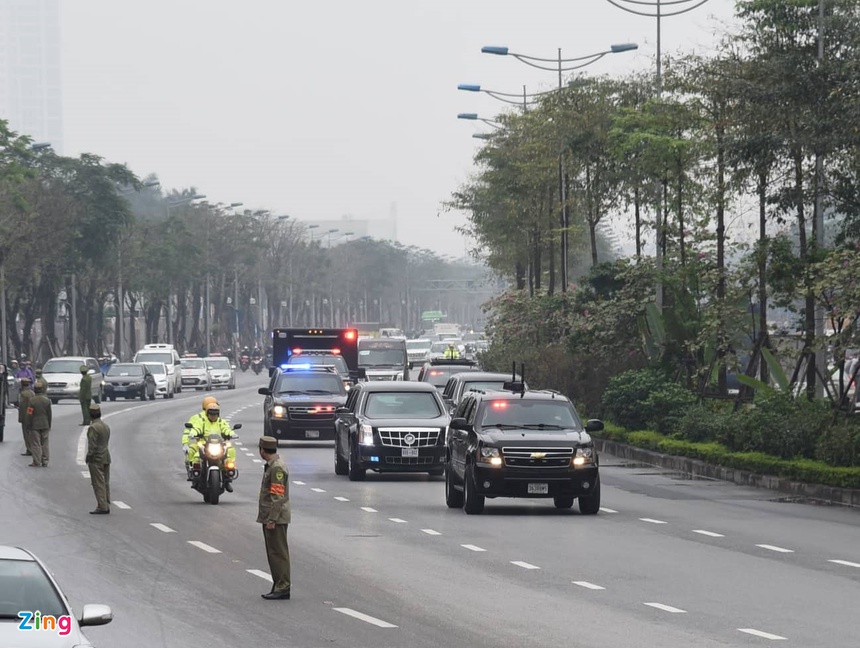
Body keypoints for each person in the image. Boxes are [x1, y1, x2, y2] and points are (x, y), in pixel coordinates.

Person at [257, 436, 291, 600]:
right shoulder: (272, 466)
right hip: (272, 516)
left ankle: (283, 586)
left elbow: (277, 496)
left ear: (262, 450)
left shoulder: (276, 468)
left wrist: (271, 519)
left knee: (278, 553)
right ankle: (278, 584)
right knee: (273, 553)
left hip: (275, 518)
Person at [187, 403, 236, 491]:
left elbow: (226, 428)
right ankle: (195, 475)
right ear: (207, 413)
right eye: (211, 413)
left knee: (231, 451)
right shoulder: (202, 421)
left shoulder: (221, 422)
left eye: (215, 414)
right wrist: (193, 433)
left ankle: (228, 476)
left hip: (219, 446)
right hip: (204, 445)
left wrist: (231, 434)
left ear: (218, 414)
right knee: (195, 456)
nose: (213, 416)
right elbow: (196, 428)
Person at [183, 396, 219, 478]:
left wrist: (231, 434)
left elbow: (224, 427)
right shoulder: (197, 418)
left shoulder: (217, 418)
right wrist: (185, 443)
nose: (213, 415)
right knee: (193, 455)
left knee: (227, 455)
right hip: (201, 443)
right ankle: (194, 472)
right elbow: (188, 431)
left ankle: (227, 474)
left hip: (216, 443)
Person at [85, 403, 111, 514]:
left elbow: (92, 445)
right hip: (106, 456)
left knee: (98, 483)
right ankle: (106, 501)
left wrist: (89, 456)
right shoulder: (105, 426)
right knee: (105, 482)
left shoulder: (93, 428)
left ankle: (102, 506)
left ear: (90, 415)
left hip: (97, 459)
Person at [25, 383, 52, 468]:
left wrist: (28, 424)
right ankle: (45, 460)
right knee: (45, 443)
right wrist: (49, 424)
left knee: (36, 444)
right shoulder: (47, 400)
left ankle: (36, 461)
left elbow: (29, 413)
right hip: (45, 424)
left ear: (34, 390)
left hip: (35, 425)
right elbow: (49, 414)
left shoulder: (31, 401)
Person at [18, 377, 35, 457]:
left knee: (26, 434)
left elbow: (22, 407)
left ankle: (29, 449)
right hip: (32, 415)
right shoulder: (32, 393)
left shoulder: (23, 394)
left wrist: (21, 418)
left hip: (26, 416)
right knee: (31, 433)